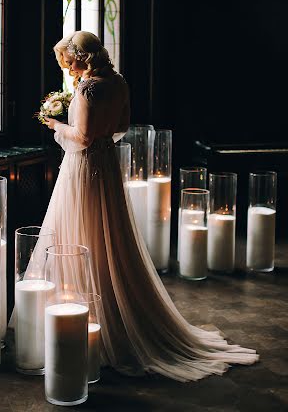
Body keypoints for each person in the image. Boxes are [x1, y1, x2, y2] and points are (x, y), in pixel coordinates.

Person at [41, 30, 258, 381]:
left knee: (81, 227)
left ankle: (95, 309)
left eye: (70, 61)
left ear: (82, 58)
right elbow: (122, 127)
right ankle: (112, 298)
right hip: (108, 165)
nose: (69, 69)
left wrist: (56, 125)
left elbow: (80, 138)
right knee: (109, 230)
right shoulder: (119, 82)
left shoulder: (87, 88)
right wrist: (97, 135)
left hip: (83, 168)